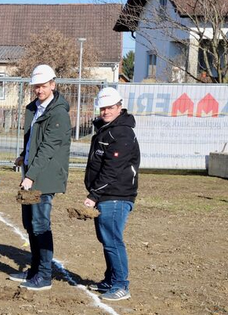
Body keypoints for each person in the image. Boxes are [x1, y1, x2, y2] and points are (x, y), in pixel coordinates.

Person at [11, 64, 71, 291]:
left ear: (53, 85)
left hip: (43, 178)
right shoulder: (34, 108)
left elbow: (48, 147)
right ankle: (35, 269)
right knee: (29, 224)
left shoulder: (58, 113)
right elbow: (33, 141)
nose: (39, 90)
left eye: (44, 86)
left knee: (40, 225)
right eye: (36, 86)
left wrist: (31, 176)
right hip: (31, 173)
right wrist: (22, 156)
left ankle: (44, 275)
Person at [84, 87, 139, 301]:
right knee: (105, 237)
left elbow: (112, 169)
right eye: (103, 107)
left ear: (119, 107)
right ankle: (111, 278)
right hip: (106, 195)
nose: (106, 111)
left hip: (117, 195)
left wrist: (93, 195)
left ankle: (121, 284)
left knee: (113, 239)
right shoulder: (106, 129)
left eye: (110, 107)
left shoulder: (122, 132)